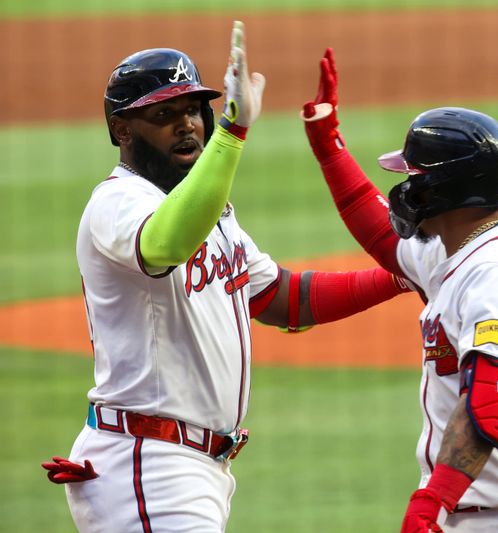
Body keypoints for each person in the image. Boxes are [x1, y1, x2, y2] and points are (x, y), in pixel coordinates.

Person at [41, 23, 410, 532]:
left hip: (194, 467)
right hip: (148, 463)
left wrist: (397, 278)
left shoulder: (214, 215)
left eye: (194, 110)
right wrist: (233, 134)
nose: (187, 124)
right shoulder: (119, 202)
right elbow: (164, 245)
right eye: (164, 114)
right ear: (123, 130)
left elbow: (283, 297)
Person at [300, 48, 498, 533]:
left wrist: (430, 502)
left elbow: (487, 405)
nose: (404, 190)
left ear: (442, 188)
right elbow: (384, 237)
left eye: (412, 178)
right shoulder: (453, 252)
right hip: (485, 515)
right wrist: (328, 143)